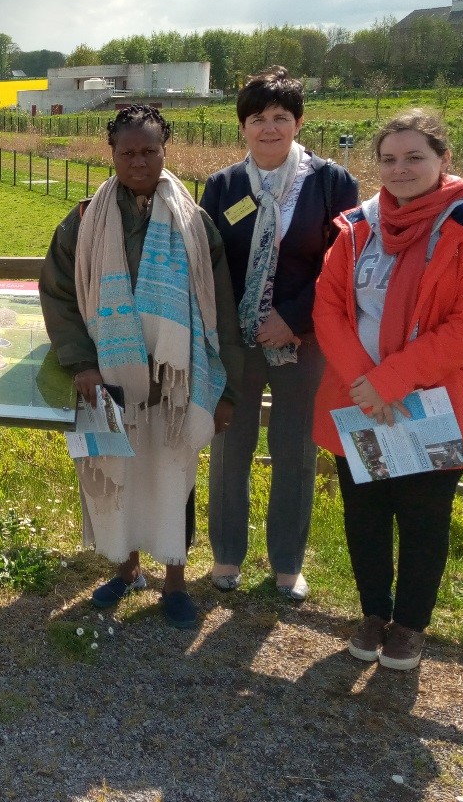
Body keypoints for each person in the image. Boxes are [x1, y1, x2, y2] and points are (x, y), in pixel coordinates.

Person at [313, 109, 463, 671]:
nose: (400, 169)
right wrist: (363, 383)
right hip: (363, 400)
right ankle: (374, 613)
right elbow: (329, 306)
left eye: (414, 157)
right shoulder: (360, 226)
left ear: (443, 160)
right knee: (366, 512)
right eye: (389, 159)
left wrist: (388, 381)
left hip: (433, 403)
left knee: (424, 519)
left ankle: (410, 626)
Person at [40, 104, 243, 629]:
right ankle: (126, 568)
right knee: (117, 471)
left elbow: (218, 307)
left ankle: (175, 582)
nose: (138, 161)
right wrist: (82, 363)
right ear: (111, 153)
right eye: (127, 152)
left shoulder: (195, 224)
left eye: (149, 150)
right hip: (107, 377)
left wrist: (225, 393)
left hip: (175, 381)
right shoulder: (85, 220)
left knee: (176, 476)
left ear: (164, 150)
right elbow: (59, 294)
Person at [201, 66, 359, 601]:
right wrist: (235, 327)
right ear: (242, 126)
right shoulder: (223, 187)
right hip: (238, 345)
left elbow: (343, 265)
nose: (269, 128)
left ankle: (287, 564)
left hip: (304, 340)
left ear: (298, 122)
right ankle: (226, 557)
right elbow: (211, 265)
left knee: (294, 449)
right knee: (229, 446)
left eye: (281, 118)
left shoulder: (332, 183)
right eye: (257, 118)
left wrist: (291, 317)